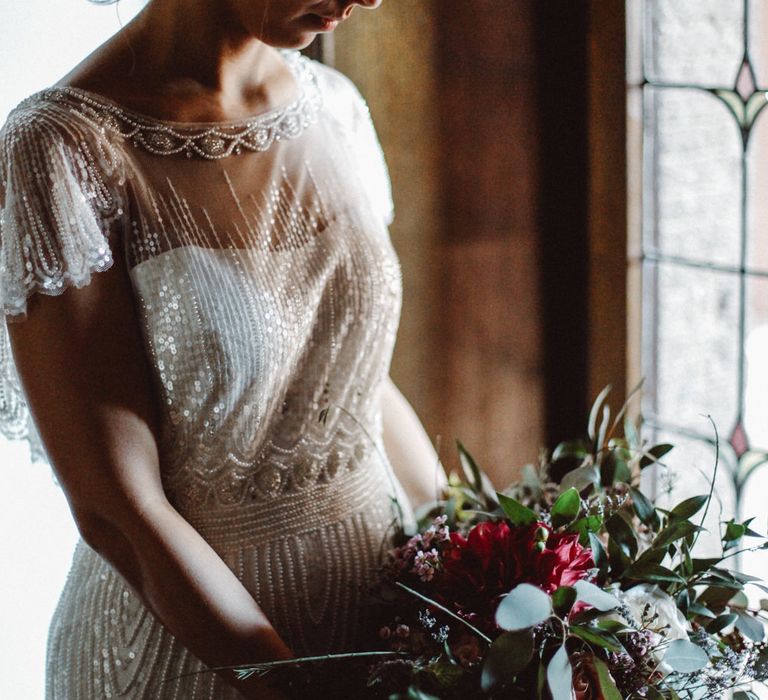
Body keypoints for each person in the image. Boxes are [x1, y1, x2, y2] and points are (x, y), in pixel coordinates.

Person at [0, 0, 445, 697]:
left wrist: (485, 563)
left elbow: (356, 380)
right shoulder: (62, 150)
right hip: (190, 656)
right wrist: (294, 688)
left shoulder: (335, 107)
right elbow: (117, 508)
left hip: (384, 632)